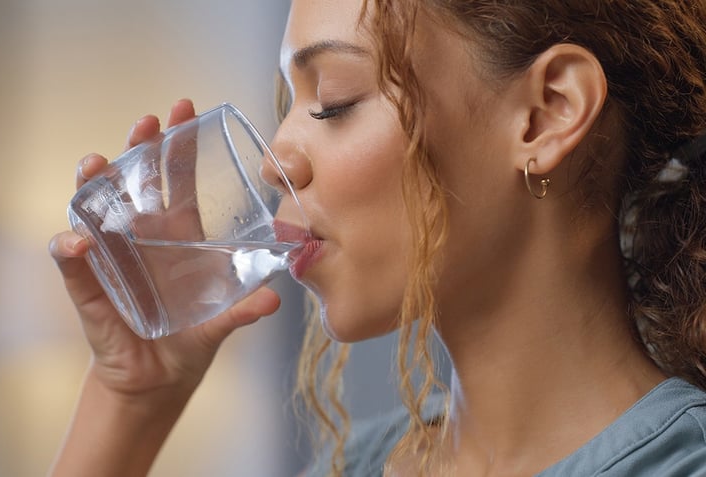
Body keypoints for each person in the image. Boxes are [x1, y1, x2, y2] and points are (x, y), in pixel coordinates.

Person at [48, 0, 706, 475]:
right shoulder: (355, 465)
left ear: (545, 114)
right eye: (291, 104)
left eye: (332, 100)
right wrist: (130, 401)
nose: (275, 160)